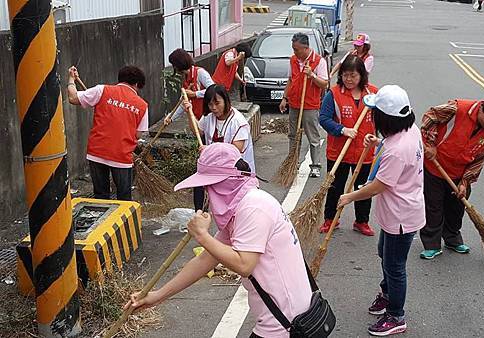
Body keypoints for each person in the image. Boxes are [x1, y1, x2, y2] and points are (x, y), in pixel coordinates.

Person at [125, 143, 313, 338]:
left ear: (226, 182)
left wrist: (202, 236)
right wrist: (157, 296)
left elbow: (244, 264)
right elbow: (206, 259)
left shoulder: (253, 208)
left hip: (285, 322)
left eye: (210, 185)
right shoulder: (242, 208)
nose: (208, 192)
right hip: (280, 317)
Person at [338, 85, 425, 336]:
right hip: (397, 212)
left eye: (375, 112)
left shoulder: (398, 150)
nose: (372, 116)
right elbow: (390, 150)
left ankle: (396, 315)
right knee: (384, 254)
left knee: (395, 265)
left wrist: (348, 197)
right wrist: (378, 143)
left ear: (385, 118)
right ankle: (387, 294)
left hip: (401, 217)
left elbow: (377, 186)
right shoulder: (408, 130)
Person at [418, 98, 484, 260]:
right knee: (434, 207)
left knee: (457, 206)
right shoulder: (458, 108)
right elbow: (430, 116)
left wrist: (465, 182)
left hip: (460, 171)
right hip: (435, 166)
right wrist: (430, 143)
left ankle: (452, 239)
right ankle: (431, 244)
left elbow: (480, 156)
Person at [66, 65, 148, 201]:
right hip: (122, 156)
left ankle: (101, 219)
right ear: (137, 84)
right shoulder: (142, 105)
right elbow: (138, 134)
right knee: (124, 198)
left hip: (97, 152)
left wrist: (71, 79)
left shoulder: (102, 90)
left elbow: (73, 97)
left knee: (101, 196)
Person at [318, 55, 378, 236]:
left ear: (361, 75)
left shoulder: (374, 94)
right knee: (335, 187)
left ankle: (361, 221)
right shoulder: (334, 94)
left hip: (364, 151)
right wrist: (342, 129)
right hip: (339, 152)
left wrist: (376, 138)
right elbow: (324, 118)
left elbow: (382, 119)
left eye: (353, 76)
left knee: (363, 188)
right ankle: (330, 219)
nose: (349, 80)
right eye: (345, 75)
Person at [184, 84, 256, 211]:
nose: (214, 108)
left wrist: (210, 150)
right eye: (210, 105)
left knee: (234, 208)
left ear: (226, 100)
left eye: (217, 103)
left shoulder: (239, 122)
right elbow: (198, 131)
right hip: (215, 168)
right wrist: (189, 113)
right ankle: (199, 215)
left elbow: (235, 150)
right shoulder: (209, 117)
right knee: (199, 187)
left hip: (235, 173)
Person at [279, 32, 329, 178]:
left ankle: (315, 166)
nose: (294, 52)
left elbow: (324, 84)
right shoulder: (293, 60)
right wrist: (284, 98)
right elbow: (290, 80)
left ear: (306, 48)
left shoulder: (319, 61)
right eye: (293, 49)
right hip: (294, 103)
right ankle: (293, 163)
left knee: (313, 137)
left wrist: (312, 75)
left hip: (310, 106)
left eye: (297, 49)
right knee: (293, 135)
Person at [165, 48, 214, 125]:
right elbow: (183, 103)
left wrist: (195, 94)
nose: (173, 67)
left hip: (210, 118)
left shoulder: (200, 73)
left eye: (173, 64)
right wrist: (170, 117)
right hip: (199, 120)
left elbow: (214, 90)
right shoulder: (185, 80)